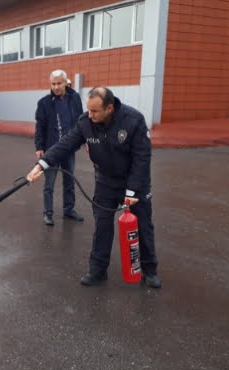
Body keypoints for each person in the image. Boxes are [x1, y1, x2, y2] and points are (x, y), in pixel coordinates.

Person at [27, 87, 162, 289]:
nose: (90, 115)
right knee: (102, 226)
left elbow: (142, 159)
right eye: (88, 110)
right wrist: (41, 166)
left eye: (95, 111)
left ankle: (150, 271)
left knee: (143, 226)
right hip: (106, 182)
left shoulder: (133, 120)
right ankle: (98, 270)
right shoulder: (85, 122)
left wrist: (132, 191)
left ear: (109, 108)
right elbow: (65, 144)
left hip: (134, 182)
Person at [34, 69, 84, 226]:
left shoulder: (75, 98)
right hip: (51, 150)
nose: (56, 87)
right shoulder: (44, 103)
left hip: (69, 149)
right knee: (49, 184)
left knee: (69, 181)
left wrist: (85, 140)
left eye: (59, 83)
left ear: (65, 83)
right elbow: (40, 126)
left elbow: (81, 121)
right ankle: (48, 213)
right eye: (53, 84)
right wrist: (39, 146)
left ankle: (69, 210)